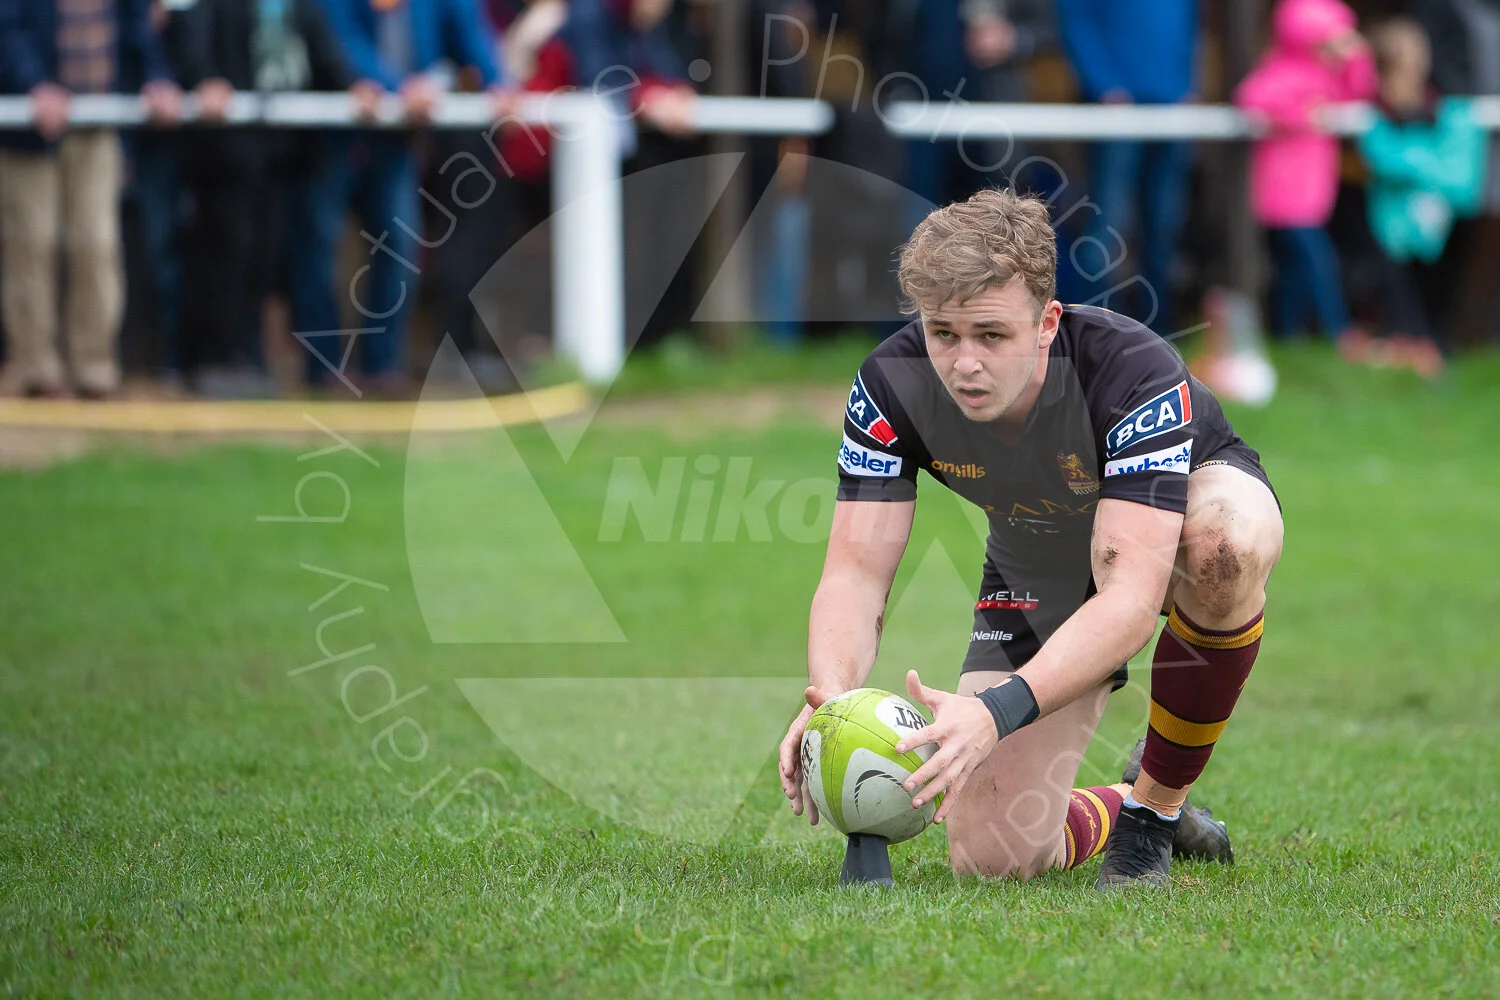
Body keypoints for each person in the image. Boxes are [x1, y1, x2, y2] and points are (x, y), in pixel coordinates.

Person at [777, 190, 1285, 888]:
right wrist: (830, 706)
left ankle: (1155, 814)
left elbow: (1131, 599)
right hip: (1039, 552)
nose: (963, 363)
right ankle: (1126, 802)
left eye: (991, 335)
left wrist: (994, 712)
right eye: (943, 334)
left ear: (1046, 323)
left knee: (1225, 543)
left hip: (1179, 510)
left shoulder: (1129, 371)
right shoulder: (888, 386)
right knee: (994, 858)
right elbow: (856, 574)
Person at [288, 0, 512, 396]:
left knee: (399, 249)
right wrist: (397, 86)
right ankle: (322, 370)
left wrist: (501, 85)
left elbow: (471, 36)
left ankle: (383, 367)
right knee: (318, 250)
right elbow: (340, 42)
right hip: (332, 140)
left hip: (394, 144)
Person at [174, 0, 379, 396]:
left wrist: (354, 85)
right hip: (227, 149)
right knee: (225, 255)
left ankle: (246, 358)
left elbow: (323, 51)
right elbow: (193, 46)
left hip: (283, 152)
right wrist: (203, 79)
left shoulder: (301, 6)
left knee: (263, 260)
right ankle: (213, 359)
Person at [0, 0, 182, 398]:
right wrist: (34, 83)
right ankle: (36, 370)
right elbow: (7, 26)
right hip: (27, 126)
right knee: (32, 243)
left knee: (97, 244)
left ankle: (95, 369)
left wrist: (155, 78)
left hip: (99, 120)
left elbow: (137, 27)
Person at [1351, 17, 1486, 378]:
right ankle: (1415, 361)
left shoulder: (1441, 108)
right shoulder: (1377, 112)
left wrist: (1415, 163)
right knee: (1404, 309)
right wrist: (1425, 163)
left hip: (1437, 232)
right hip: (1393, 232)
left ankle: (1433, 358)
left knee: (1435, 304)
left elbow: (1459, 178)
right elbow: (1384, 157)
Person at [1234, 0, 1375, 347]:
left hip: (1311, 195)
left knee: (1293, 272)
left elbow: (1360, 91)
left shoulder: (1324, 74)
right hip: (1283, 195)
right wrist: (1300, 116)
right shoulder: (1284, 69)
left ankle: (1287, 336)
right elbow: (1250, 99)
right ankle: (1339, 332)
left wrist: (1356, 55)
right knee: (1317, 263)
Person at [1056, 0, 1197, 336]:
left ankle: (1161, 329)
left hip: (1169, 106)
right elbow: (1075, 21)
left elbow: (1188, 30)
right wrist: (1103, 85)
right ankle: (1100, 331)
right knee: (1106, 221)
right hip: (1117, 108)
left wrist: (1186, 86)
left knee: (1164, 221)